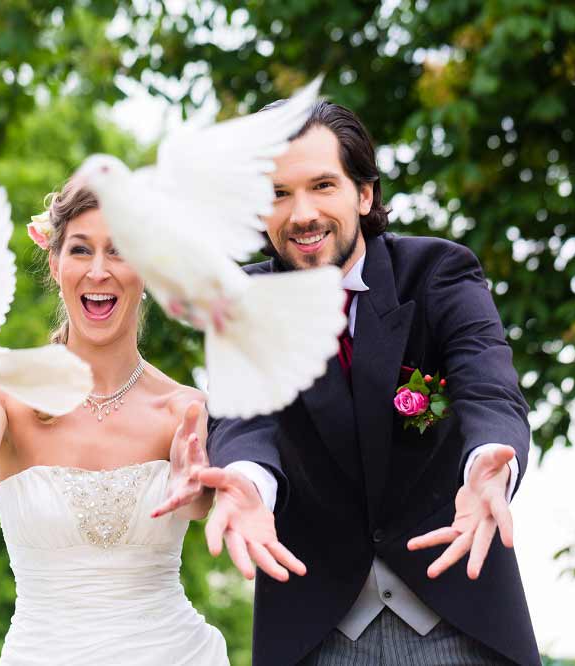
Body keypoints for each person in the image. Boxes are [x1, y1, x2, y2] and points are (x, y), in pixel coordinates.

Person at [159, 100, 541, 665]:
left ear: (364, 194)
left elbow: (488, 387)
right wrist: (245, 482)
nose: (302, 214)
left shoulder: (439, 272)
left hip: (460, 617)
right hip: (317, 632)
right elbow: (244, 417)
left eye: (322, 186)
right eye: (278, 194)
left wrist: (490, 462)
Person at [0, 179, 230, 665]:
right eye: (81, 250)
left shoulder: (184, 407)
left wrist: (191, 484)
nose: (98, 271)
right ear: (55, 264)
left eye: (119, 251)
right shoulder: (6, 391)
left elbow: (197, 505)